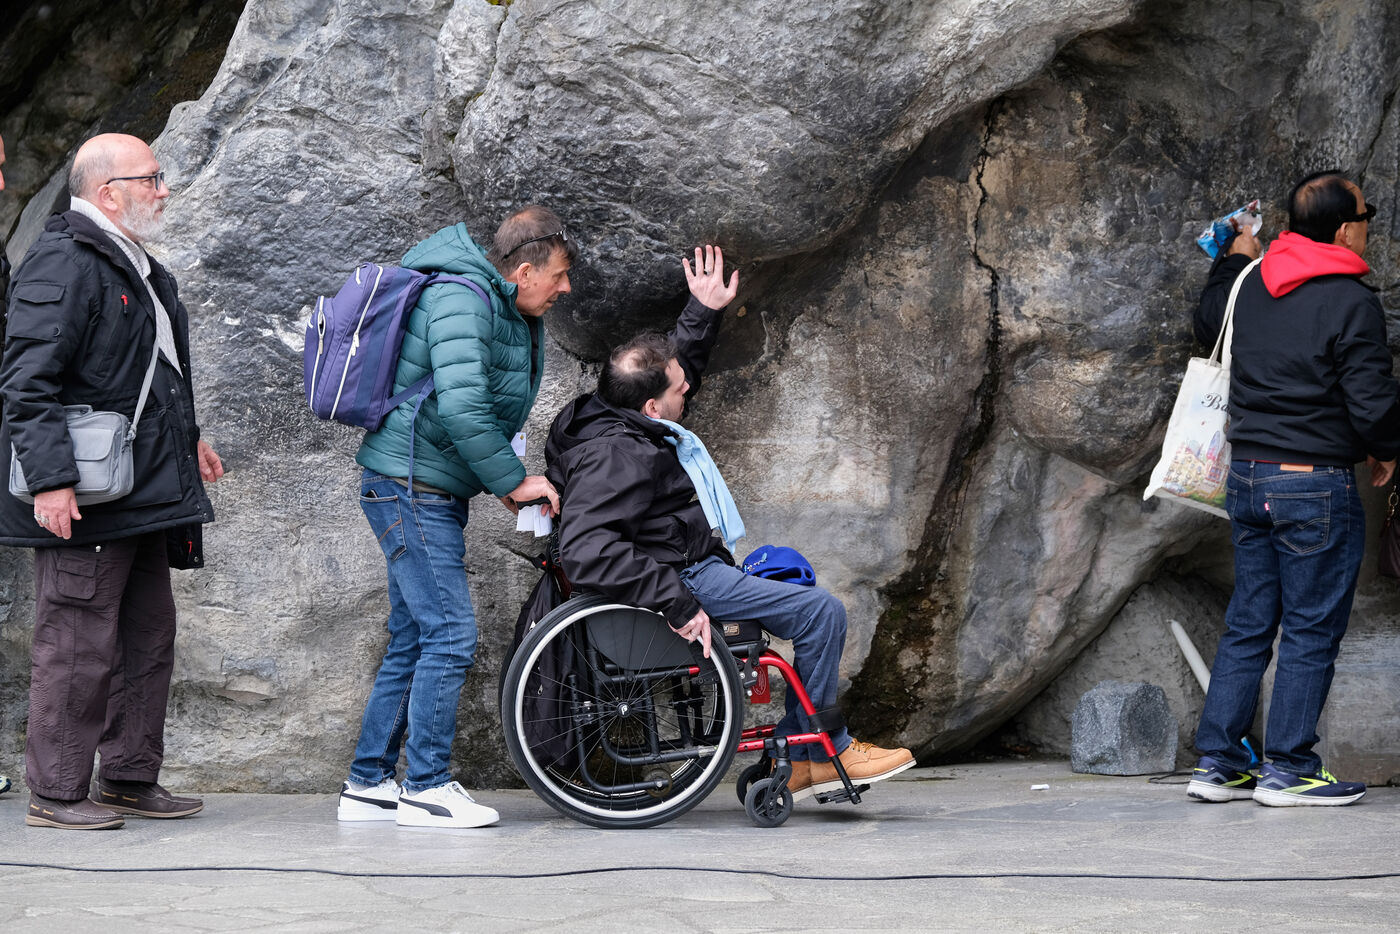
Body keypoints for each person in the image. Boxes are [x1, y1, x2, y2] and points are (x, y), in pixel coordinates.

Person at [544, 245, 915, 803]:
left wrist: (702, 309)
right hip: (683, 577)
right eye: (679, 390)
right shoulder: (617, 456)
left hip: (685, 561)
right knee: (822, 612)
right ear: (651, 408)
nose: (688, 389)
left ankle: (801, 752)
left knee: (792, 577)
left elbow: (672, 374)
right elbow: (588, 549)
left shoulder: (603, 413)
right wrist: (677, 603)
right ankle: (820, 753)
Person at [0, 133, 225, 829]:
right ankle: (57, 791)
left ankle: (129, 776)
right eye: (151, 178)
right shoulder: (64, 260)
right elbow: (26, 382)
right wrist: (50, 482)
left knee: (147, 638)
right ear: (108, 192)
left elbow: (141, 372)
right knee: (76, 644)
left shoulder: (129, 259)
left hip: (142, 492)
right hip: (89, 496)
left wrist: (188, 437)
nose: (164, 189)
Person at [337, 207, 571, 829]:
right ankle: (427, 787)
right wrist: (512, 479)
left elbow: (461, 409)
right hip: (409, 489)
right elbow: (465, 408)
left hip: (421, 486)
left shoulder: (496, 305)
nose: (566, 287)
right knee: (449, 634)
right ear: (524, 272)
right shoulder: (462, 299)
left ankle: (368, 783)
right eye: (559, 274)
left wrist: (499, 482)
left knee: (416, 635)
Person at [1188, 172, 1400, 806]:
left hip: (1248, 476)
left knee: (1249, 624)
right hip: (1313, 485)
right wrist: (1387, 448)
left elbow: (1209, 322)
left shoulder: (1252, 281)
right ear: (1345, 230)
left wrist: (1233, 259)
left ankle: (1219, 764)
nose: (1368, 226)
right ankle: (1289, 769)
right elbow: (1371, 400)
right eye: (1366, 216)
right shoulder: (1350, 300)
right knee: (1310, 630)